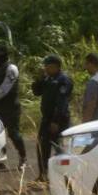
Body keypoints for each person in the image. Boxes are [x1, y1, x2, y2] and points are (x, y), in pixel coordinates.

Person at [32, 55, 73, 183]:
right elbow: (36, 92)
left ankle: (67, 176)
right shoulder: (47, 78)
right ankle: (43, 175)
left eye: (48, 67)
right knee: (42, 147)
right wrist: (39, 79)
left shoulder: (63, 80)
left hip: (59, 121)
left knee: (61, 148)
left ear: (56, 66)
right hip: (46, 119)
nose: (46, 69)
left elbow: (62, 102)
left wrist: (56, 121)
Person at [0, 44, 27, 170]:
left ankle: (23, 157)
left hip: (11, 107)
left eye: (0, 53)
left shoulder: (11, 68)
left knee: (13, 133)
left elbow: (5, 88)